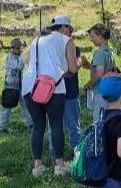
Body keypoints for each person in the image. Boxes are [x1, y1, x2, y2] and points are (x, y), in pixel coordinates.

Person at [21, 15, 80, 177]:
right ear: (63, 28)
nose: (71, 32)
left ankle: (37, 165)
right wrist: (80, 61)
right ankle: (60, 165)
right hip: (52, 87)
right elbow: (73, 68)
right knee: (55, 125)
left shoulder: (37, 40)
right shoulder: (66, 40)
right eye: (70, 29)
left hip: (30, 86)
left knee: (38, 126)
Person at [82, 24, 116, 123]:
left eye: (93, 36)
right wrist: (89, 65)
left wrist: (87, 85)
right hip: (109, 90)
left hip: (100, 92)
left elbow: (99, 74)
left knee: (98, 121)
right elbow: (104, 69)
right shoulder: (110, 51)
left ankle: (99, 139)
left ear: (100, 37)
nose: (91, 39)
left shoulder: (99, 53)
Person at [0, 38, 33, 133]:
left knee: (25, 105)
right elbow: (19, 66)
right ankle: (2, 126)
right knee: (6, 106)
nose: (21, 50)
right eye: (20, 48)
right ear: (15, 48)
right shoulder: (10, 57)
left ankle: (30, 123)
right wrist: (23, 56)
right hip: (11, 86)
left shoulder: (18, 55)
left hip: (20, 84)